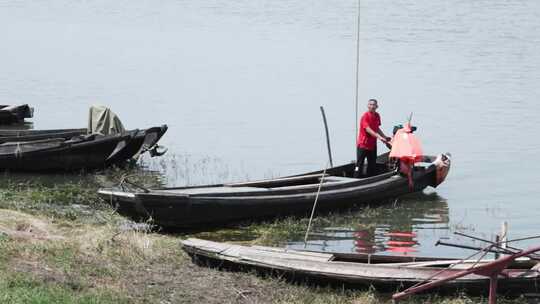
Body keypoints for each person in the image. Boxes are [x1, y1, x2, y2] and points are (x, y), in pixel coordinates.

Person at [355, 99, 391, 177]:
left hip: (372, 145)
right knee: (359, 165)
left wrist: (384, 136)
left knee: (372, 165)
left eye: (374, 105)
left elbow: (377, 128)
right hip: (363, 145)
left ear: (377, 106)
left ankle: (369, 179)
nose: (372, 106)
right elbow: (368, 130)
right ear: (368, 106)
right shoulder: (365, 116)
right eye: (370, 104)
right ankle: (356, 179)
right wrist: (380, 138)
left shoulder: (377, 116)